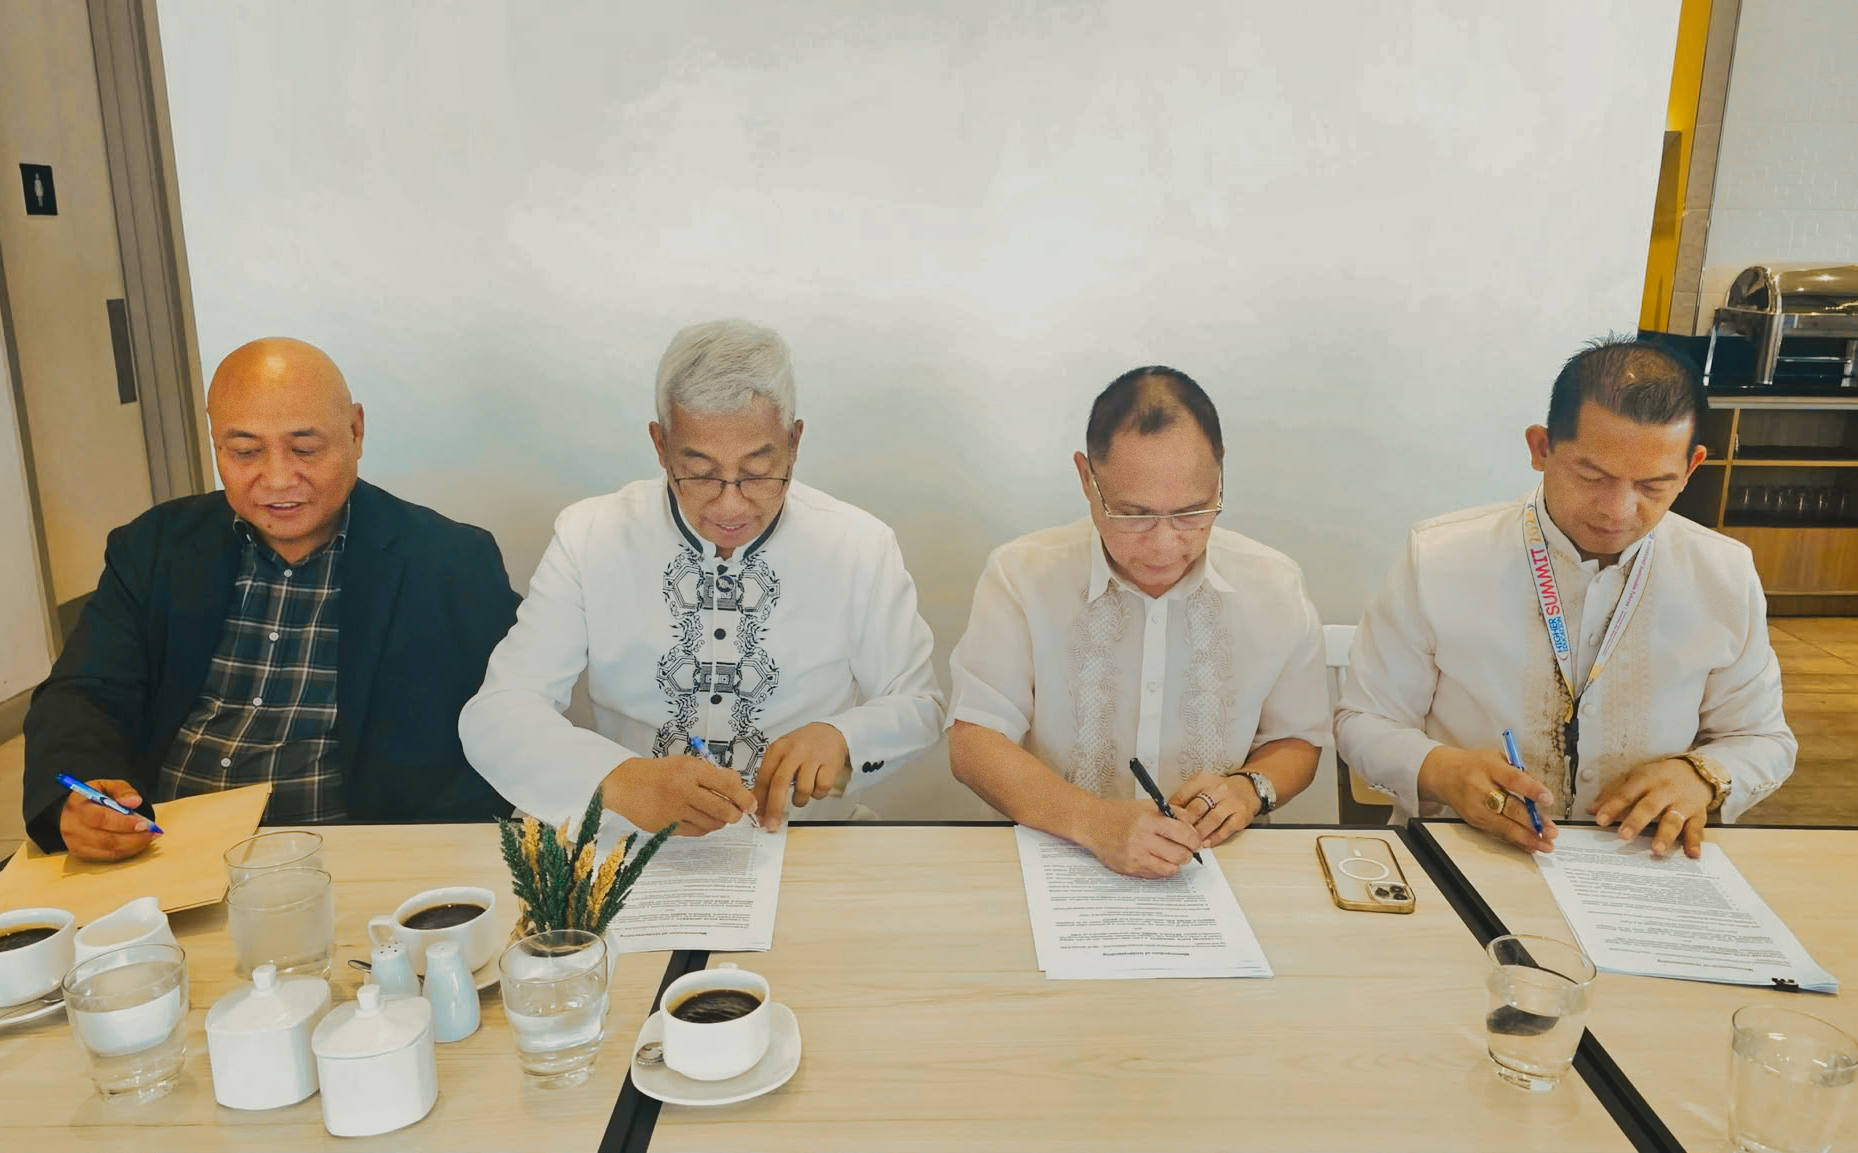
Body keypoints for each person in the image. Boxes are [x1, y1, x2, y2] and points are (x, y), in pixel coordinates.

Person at [23, 338, 521, 860]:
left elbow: (508, 713)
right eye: (245, 452)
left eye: (305, 449)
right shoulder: (154, 546)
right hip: (162, 850)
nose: (279, 479)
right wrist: (80, 796)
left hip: (347, 855)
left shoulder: (448, 561)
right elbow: (84, 692)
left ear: (355, 431)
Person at [459, 318, 945, 835]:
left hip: (806, 837)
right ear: (660, 445)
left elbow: (919, 704)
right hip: (632, 843)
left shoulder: (859, 545)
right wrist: (621, 782)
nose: (731, 505)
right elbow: (500, 712)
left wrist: (844, 738)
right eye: (700, 473)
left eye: (757, 472)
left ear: (794, 441)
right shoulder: (590, 536)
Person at [1336, 337, 1795, 859]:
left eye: (1653, 486)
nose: (1618, 510)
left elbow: (1764, 739)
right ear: (1541, 449)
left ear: (1691, 468)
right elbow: (1364, 720)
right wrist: (1443, 771)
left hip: (1641, 859)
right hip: (1467, 849)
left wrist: (1702, 776)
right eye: (1591, 476)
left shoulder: (1723, 574)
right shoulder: (1440, 557)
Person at [946, 367, 1330, 878]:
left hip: (1213, 870)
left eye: (1192, 513)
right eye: (1134, 515)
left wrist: (1248, 790)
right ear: (1087, 479)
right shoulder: (1022, 576)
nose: (1164, 544)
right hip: (1058, 860)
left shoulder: (1274, 587)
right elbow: (975, 742)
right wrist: (1093, 821)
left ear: (1220, 474)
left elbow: (1297, 741)